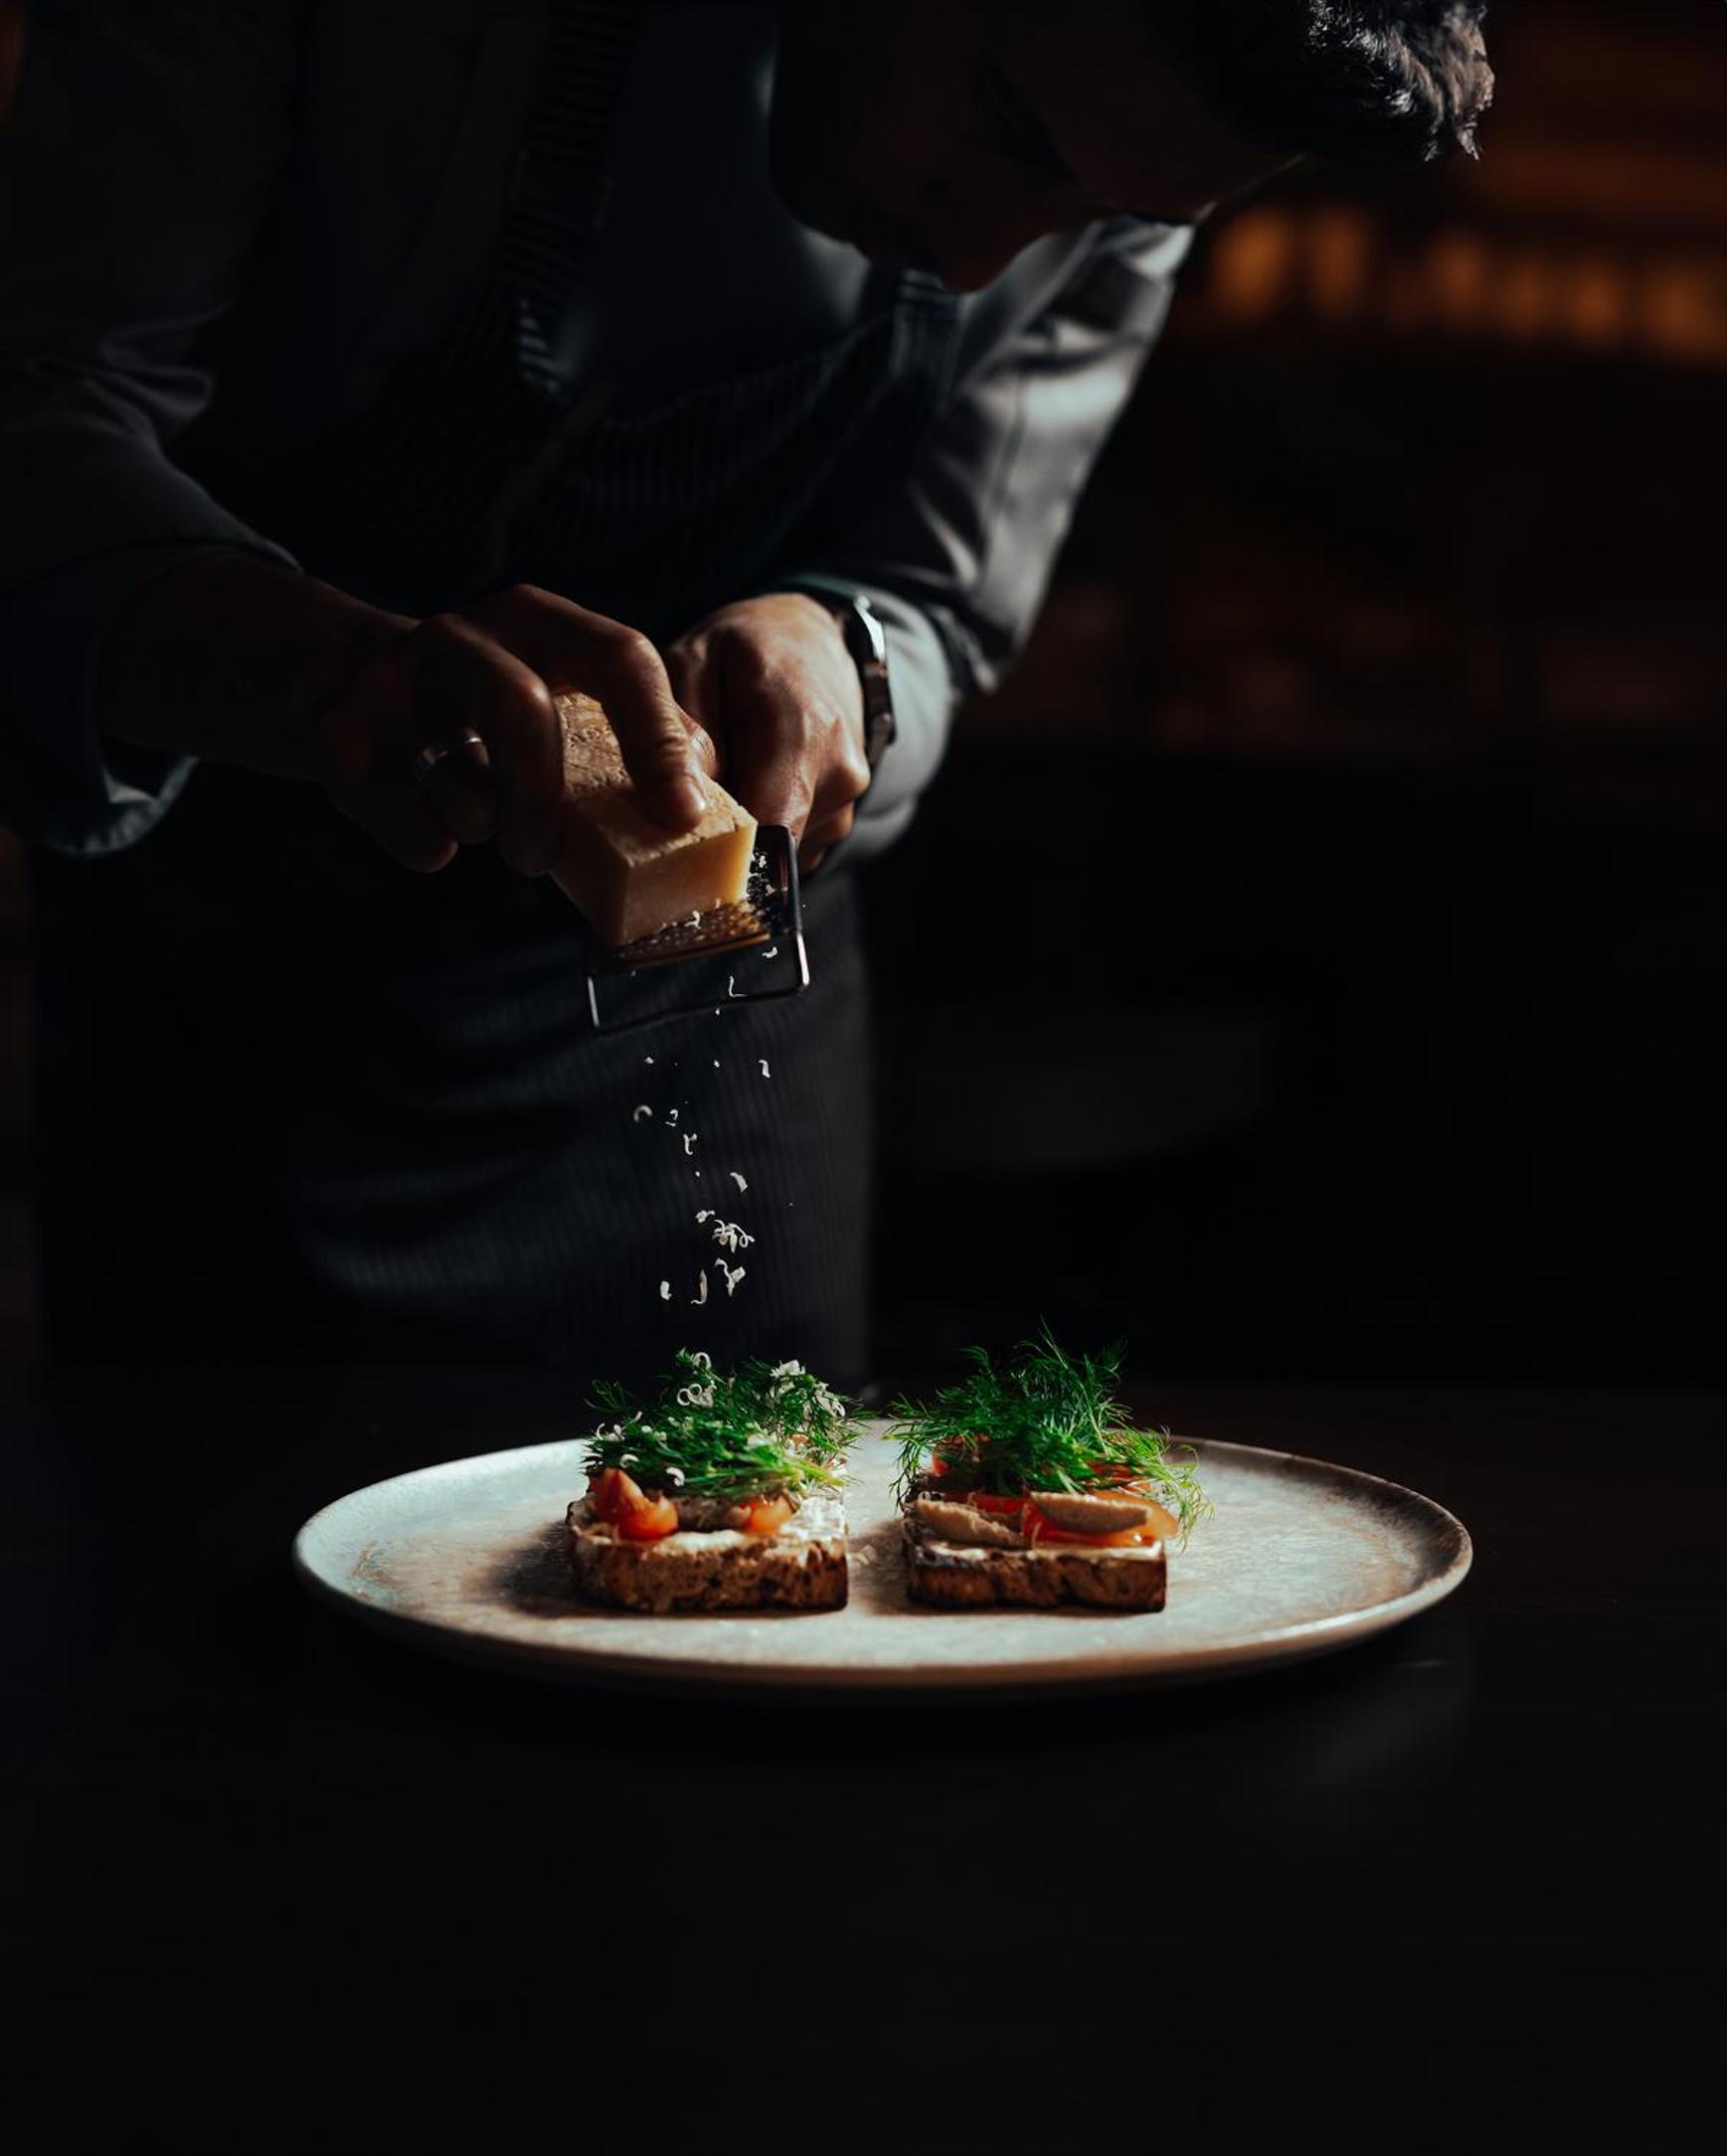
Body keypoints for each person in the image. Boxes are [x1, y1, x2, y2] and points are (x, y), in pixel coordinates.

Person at [0, 1, 1492, 1387]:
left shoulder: (1118, 141)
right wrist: (332, 677)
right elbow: (40, 403)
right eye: (1009, 129)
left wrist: (842, 649)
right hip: (236, 1014)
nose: (981, 264)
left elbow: (943, 604)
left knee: (752, 1593)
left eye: (1105, 219)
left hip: (720, 1039)